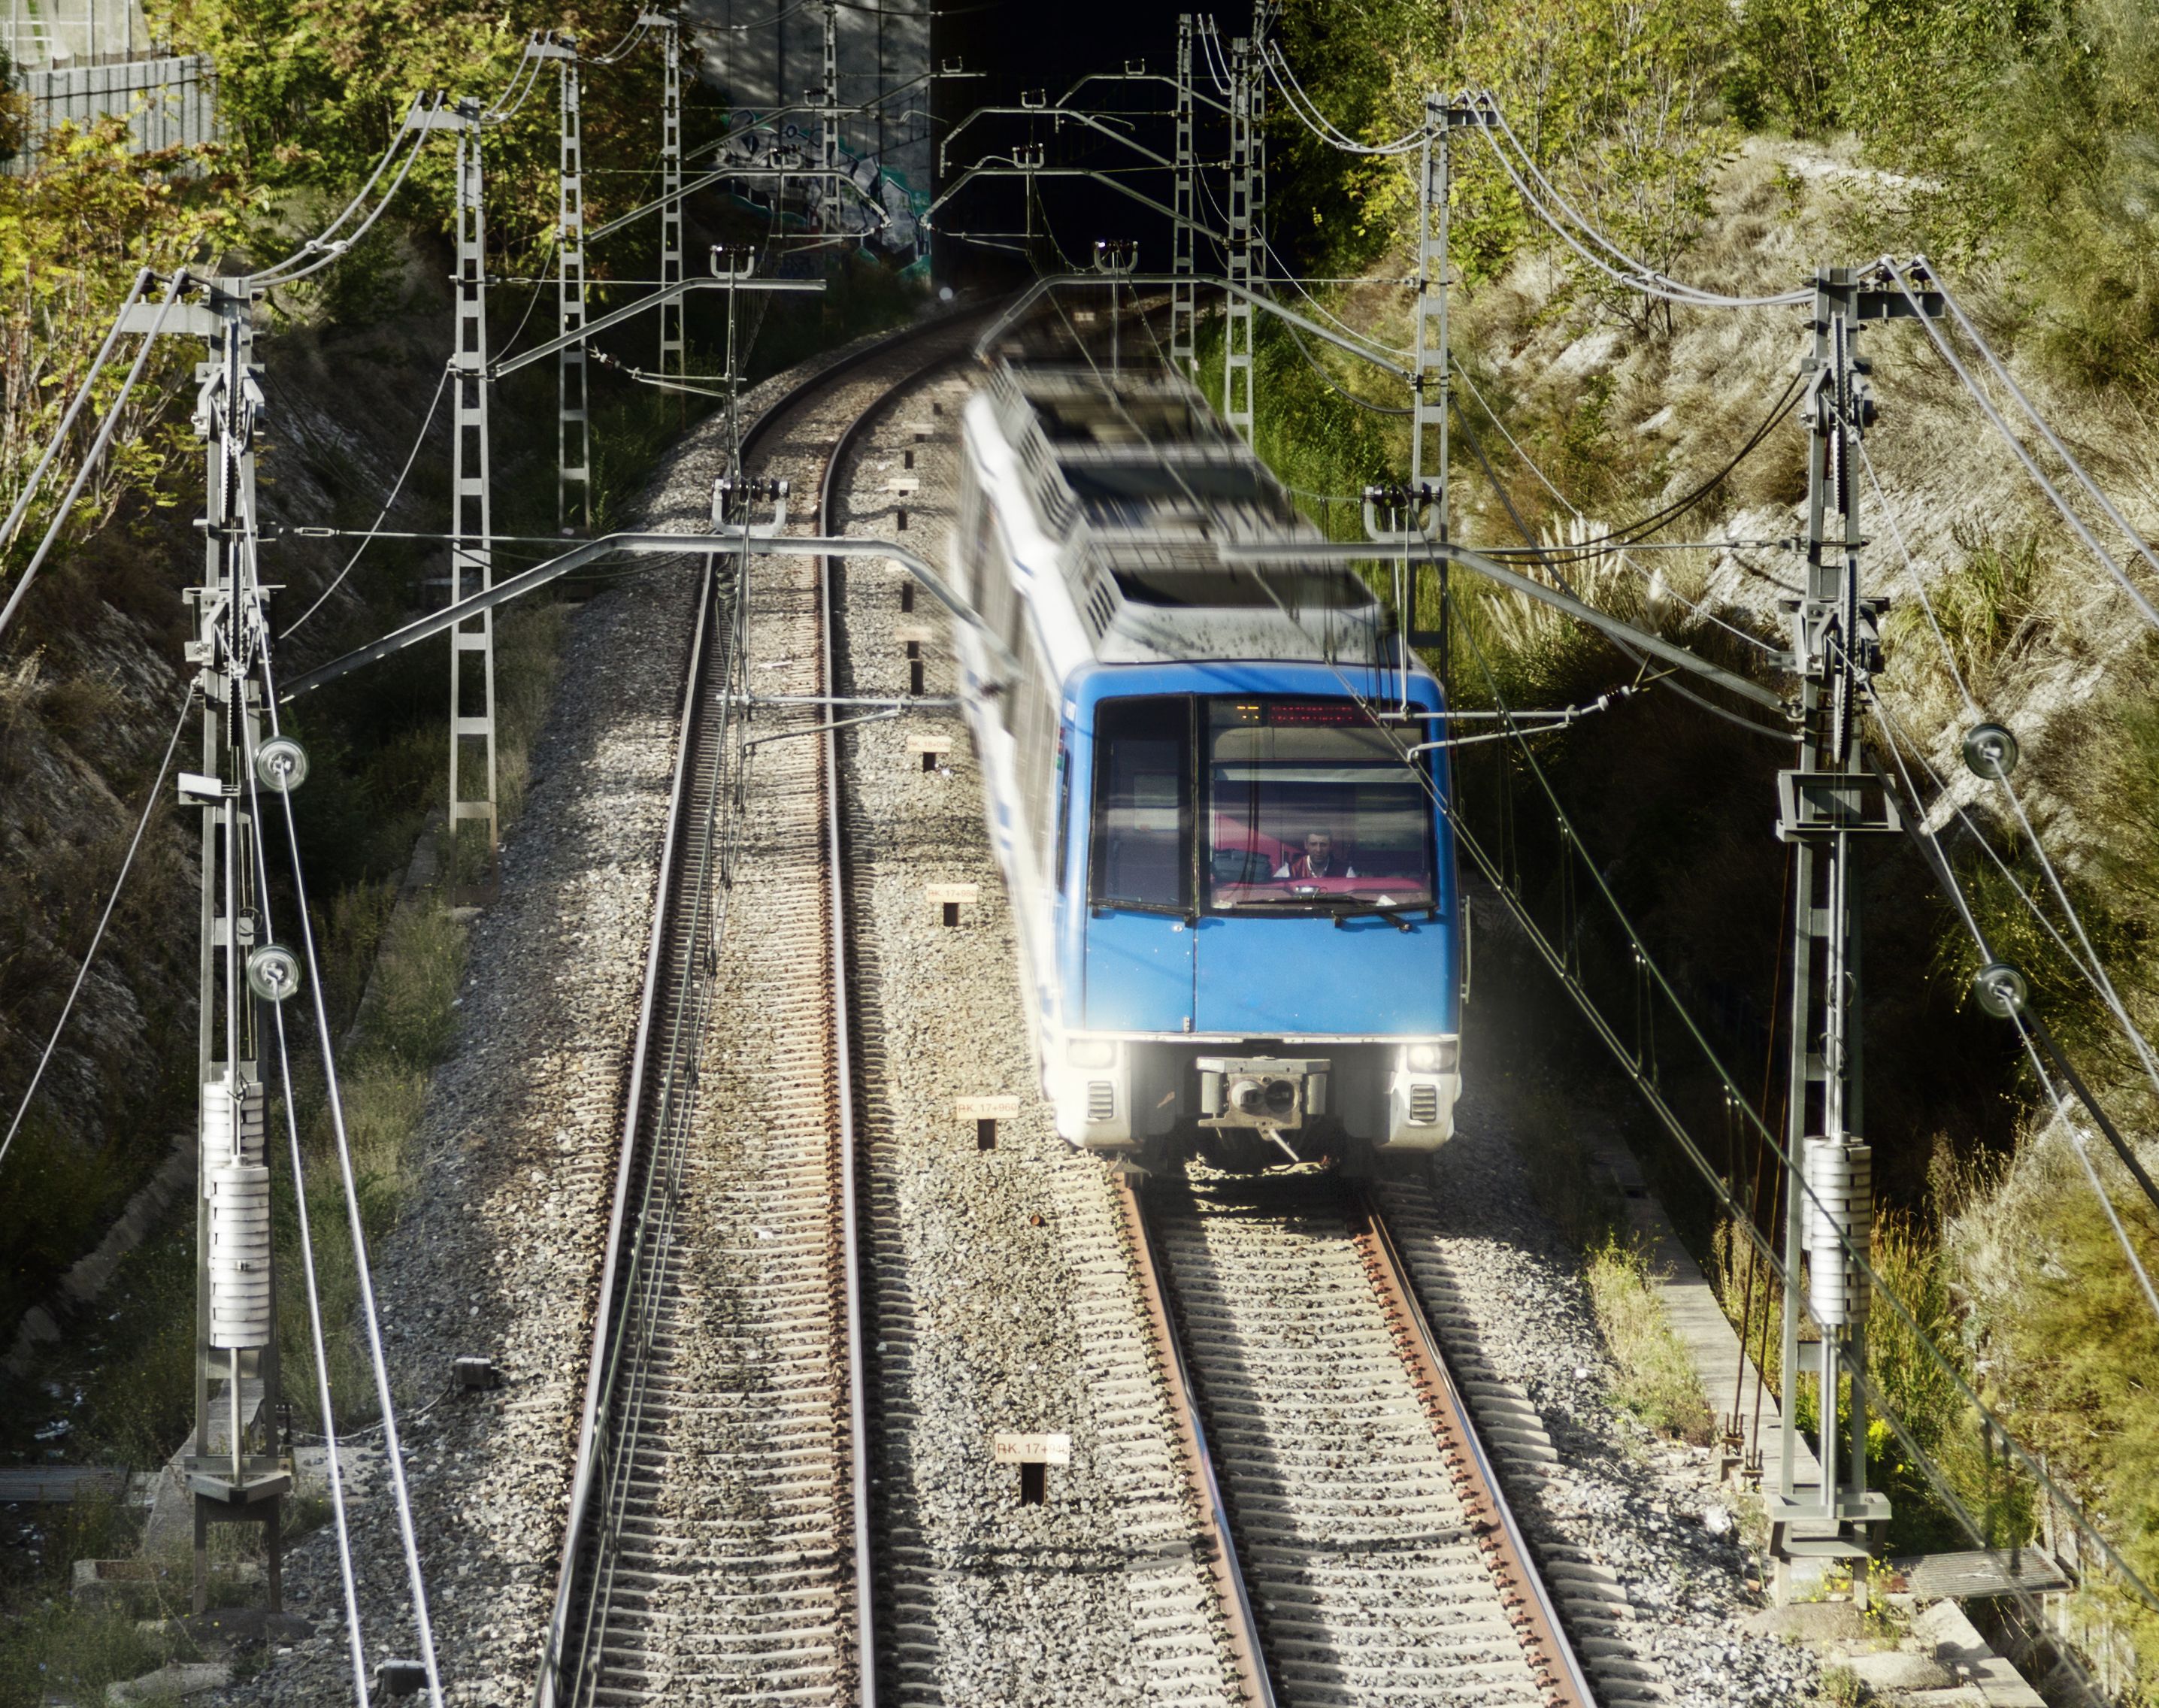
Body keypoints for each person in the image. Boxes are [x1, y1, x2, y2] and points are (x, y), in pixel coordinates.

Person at [1274, 830, 1355, 881]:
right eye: (1313, 844)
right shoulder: (1290, 870)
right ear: (1306, 845)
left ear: (1331, 846)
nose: (1318, 850)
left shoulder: (1345, 871)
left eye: (1323, 845)